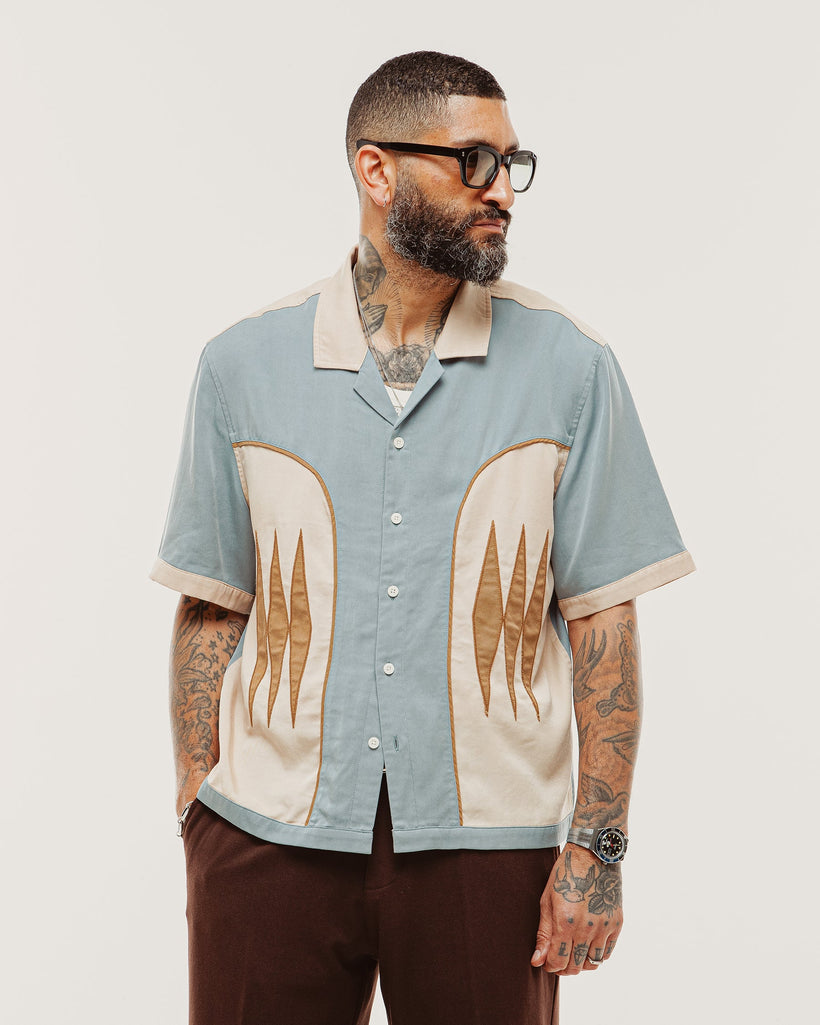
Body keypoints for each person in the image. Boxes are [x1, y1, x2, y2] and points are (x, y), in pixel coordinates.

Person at [151, 50, 694, 1025]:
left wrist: (597, 848)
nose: (503, 192)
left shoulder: (571, 367)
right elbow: (211, 604)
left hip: (489, 849)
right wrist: (200, 810)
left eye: (512, 165)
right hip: (267, 839)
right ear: (377, 170)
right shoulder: (243, 365)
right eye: (474, 162)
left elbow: (603, 621)